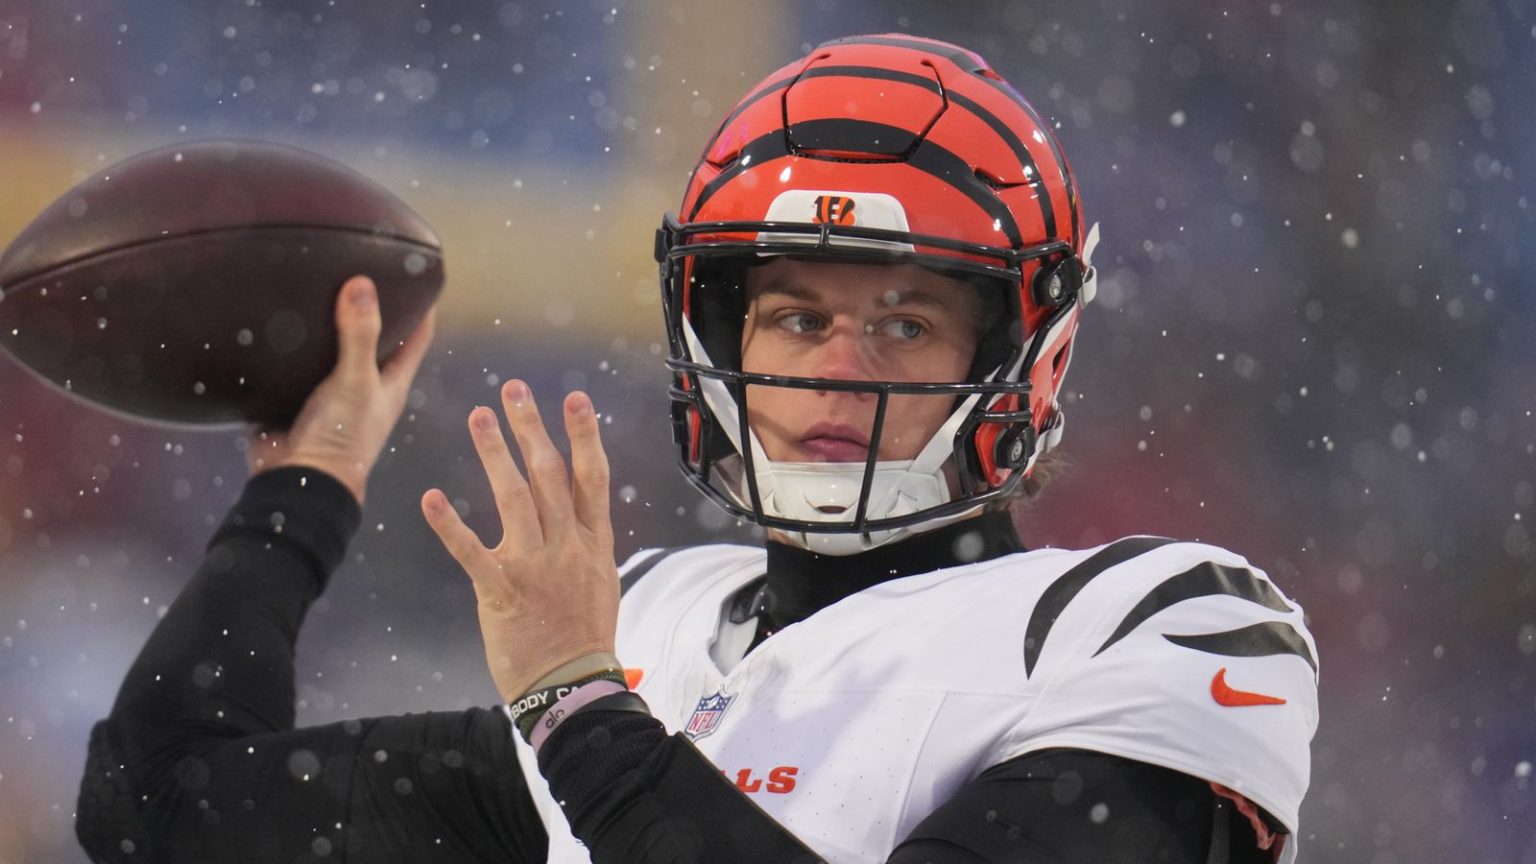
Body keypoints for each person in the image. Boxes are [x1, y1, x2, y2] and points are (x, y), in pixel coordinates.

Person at [75, 34, 1318, 863]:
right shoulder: (656, 625)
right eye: (796, 317)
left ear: (1020, 352)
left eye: (903, 323)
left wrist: (577, 706)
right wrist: (303, 489)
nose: (837, 369)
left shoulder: (1151, 625)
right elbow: (159, 809)